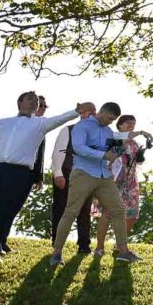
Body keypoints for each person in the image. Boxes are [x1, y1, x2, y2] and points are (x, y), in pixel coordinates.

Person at [0, 92, 82, 263]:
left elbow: (60, 119)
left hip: (18, 173)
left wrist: (76, 111)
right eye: (30, 99)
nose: (34, 103)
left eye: (36, 101)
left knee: (2, 214)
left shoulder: (41, 124)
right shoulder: (2, 123)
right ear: (19, 102)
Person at [50, 102, 140, 265]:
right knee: (71, 211)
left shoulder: (107, 131)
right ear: (102, 112)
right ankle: (56, 253)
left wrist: (120, 148)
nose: (110, 122)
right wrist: (103, 155)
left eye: (113, 120)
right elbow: (79, 148)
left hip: (104, 175)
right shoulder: (82, 126)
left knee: (119, 210)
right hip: (83, 174)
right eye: (109, 118)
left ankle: (123, 252)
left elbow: (110, 152)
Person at [93, 115, 151, 258]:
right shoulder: (114, 137)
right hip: (114, 181)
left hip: (131, 182)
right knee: (108, 213)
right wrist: (142, 132)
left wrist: (141, 155)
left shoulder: (134, 144)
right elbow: (113, 155)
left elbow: (137, 162)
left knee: (132, 214)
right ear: (120, 125)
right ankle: (99, 247)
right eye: (128, 123)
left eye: (133, 123)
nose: (131, 126)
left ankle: (120, 247)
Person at [2, 94, 49, 254]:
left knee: (15, 207)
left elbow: (40, 155)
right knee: (6, 207)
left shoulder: (42, 126)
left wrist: (39, 177)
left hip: (29, 174)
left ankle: (2, 240)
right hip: (14, 171)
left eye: (44, 106)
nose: (41, 108)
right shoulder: (22, 126)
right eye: (40, 105)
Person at [50, 107, 94, 255]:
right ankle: (57, 243)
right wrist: (57, 173)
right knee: (61, 209)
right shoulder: (68, 130)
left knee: (84, 211)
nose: (90, 115)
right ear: (81, 115)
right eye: (88, 112)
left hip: (87, 177)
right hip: (66, 173)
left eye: (93, 113)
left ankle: (84, 245)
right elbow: (58, 152)